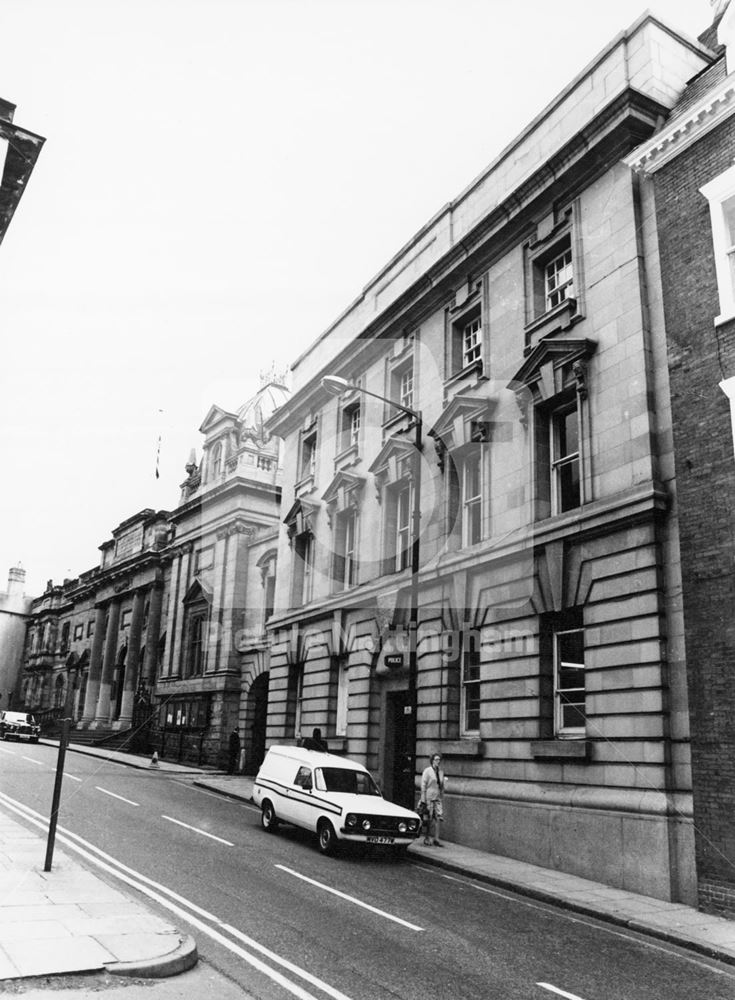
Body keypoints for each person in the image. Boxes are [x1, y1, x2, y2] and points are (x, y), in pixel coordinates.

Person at [419, 752, 447, 847]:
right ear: (432, 761)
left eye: (439, 760)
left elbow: (441, 785)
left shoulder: (441, 772)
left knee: (438, 818)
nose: (438, 762)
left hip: (437, 797)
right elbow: (423, 786)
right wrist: (423, 800)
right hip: (429, 797)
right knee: (429, 818)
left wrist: (442, 795)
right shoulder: (427, 771)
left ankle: (436, 838)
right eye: (436, 760)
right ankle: (427, 838)